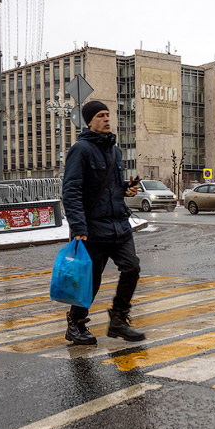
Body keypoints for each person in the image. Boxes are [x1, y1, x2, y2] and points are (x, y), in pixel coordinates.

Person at [62, 100, 147, 345]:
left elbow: (109, 188)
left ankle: (118, 319)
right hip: (92, 228)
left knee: (132, 268)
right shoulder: (81, 150)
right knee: (91, 279)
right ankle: (76, 323)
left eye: (108, 114)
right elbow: (72, 190)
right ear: (89, 121)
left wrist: (125, 189)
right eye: (101, 115)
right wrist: (78, 227)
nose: (107, 119)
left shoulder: (114, 151)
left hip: (118, 225)